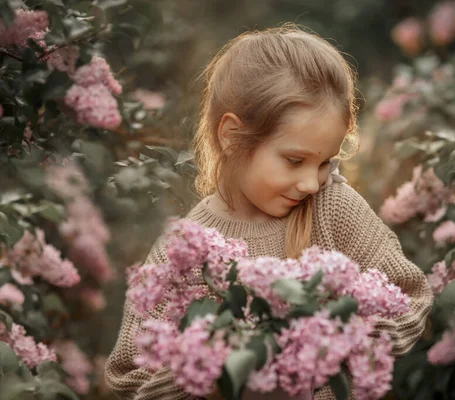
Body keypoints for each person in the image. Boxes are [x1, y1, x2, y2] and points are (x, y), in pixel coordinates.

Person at [104, 23, 433, 400]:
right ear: (231, 136)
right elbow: (129, 377)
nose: (312, 182)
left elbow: (408, 296)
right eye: (295, 161)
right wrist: (210, 378)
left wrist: (335, 355)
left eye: (325, 161)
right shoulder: (185, 251)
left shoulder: (331, 208)